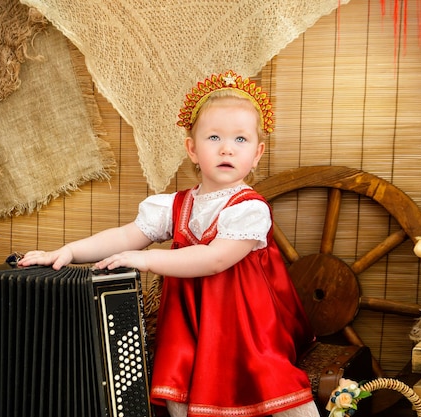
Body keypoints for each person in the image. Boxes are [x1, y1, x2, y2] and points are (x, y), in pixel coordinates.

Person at [18, 70, 319, 417]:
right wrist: (69, 251)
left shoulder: (249, 209)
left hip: (244, 329)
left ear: (257, 153)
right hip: (188, 325)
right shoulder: (174, 206)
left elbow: (214, 260)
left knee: (270, 383)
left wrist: (146, 260)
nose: (226, 148)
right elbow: (125, 236)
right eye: (214, 137)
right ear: (192, 149)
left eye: (240, 140)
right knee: (181, 381)